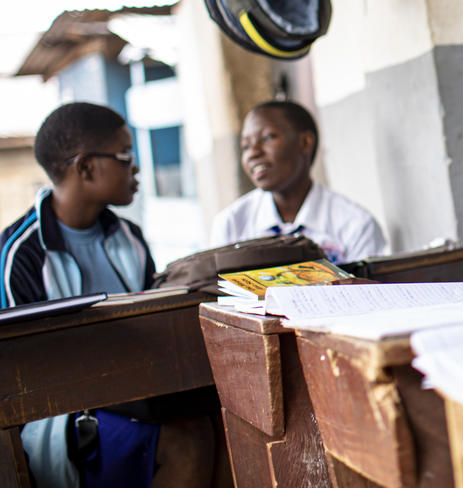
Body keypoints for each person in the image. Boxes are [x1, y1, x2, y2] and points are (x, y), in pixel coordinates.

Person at [0, 102, 212, 488]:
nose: (136, 168)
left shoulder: (129, 237)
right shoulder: (22, 254)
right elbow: (25, 376)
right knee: (187, 445)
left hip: (137, 394)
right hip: (61, 419)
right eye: (125, 156)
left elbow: (153, 326)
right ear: (85, 167)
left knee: (219, 418)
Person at [211, 100, 389, 263]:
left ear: (305, 142)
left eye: (267, 137)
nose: (253, 153)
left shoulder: (355, 224)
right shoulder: (231, 224)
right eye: (246, 146)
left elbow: (368, 292)